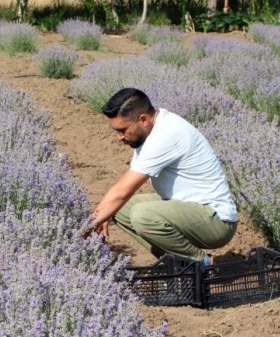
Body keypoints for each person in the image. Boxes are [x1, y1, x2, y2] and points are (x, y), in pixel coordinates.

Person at [89, 88, 238, 267]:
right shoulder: (151, 130)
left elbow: (123, 190)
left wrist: (89, 226)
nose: (118, 138)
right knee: (121, 209)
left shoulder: (167, 135)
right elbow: (122, 188)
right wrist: (102, 214)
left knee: (142, 215)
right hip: (188, 205)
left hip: (216, 220)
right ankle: (178, 264)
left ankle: (201, 264)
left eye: (122, 130)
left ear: (143, 119)